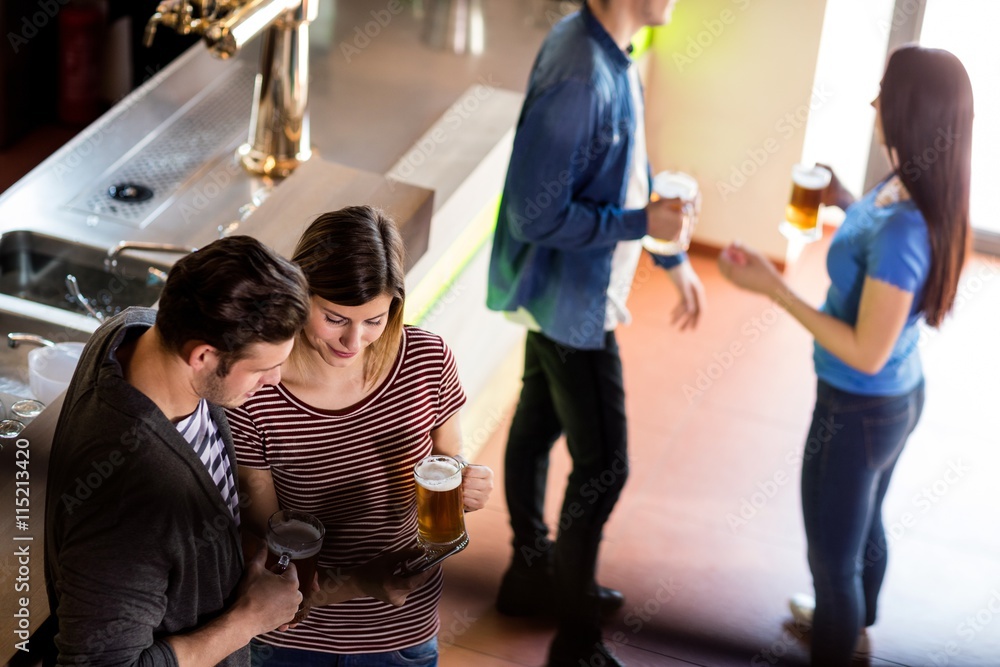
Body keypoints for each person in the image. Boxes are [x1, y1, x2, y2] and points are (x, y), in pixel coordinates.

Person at [718, 44, 974, 667]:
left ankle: (841, 637)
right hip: (893, 399)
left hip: (860, 408)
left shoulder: (901, 232)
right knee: (863, 528)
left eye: (883, 91)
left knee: (831, 559)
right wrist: (841, 199)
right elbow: (880, 250)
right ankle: (855, 629)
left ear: (908, 110)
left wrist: (772, 288)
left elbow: (864, 351)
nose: (873, 101)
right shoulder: (910, 181)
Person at [485, 1, 705, 664]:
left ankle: (531, 574)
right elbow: (533, 212)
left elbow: (622, 175)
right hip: (573, 310)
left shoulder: (606, 49)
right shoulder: (583, 73)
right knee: (605, 468)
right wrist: (643, 225)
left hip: (568, 297)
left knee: (534, 425)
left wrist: (668, 251)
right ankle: (575, 640)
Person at [228, 205, 494, 666]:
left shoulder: (427, 359)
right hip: (291, 641)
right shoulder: (255, 390)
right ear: (299, 292)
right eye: (335, 318)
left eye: (375, 320)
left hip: (403, 633)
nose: (354, 342)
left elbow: (450, 461)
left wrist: (469, 484)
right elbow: (265, 552)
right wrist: (361, 583)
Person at [44, 235, 313, 666]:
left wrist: (220, 549)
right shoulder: (129, 499)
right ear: (203, 356)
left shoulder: (132, 329)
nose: (276, 379)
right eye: (263, 367)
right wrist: (249, 620)